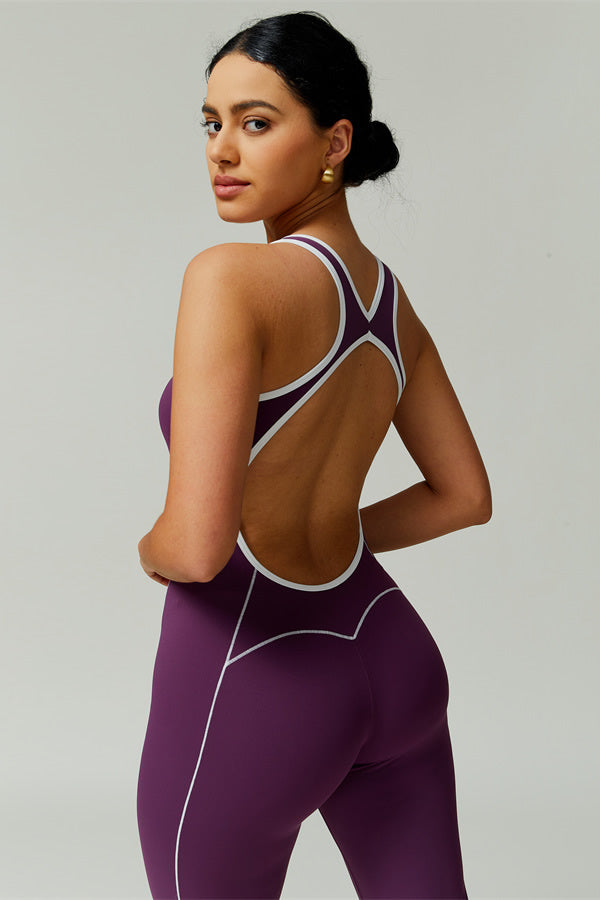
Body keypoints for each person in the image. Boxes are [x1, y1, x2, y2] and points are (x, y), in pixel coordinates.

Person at [136, 11, 491, 900]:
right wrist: (331, 528)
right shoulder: (389, 302)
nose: (222, 150)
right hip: (390, 655)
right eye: (211, 123)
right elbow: (463, 495)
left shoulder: (228, 279)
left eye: (256, 123)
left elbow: (197, 548)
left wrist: (149, 546)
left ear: (335, 142)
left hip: (257, 677)